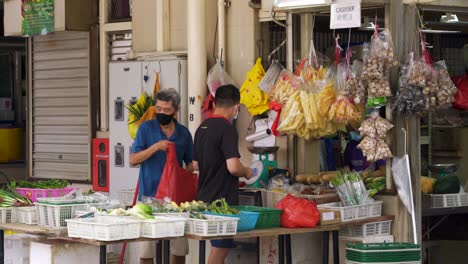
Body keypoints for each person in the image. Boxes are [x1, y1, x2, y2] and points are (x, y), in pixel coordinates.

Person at [130, 88, 193, 264]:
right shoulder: (145, 129)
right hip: (149, 198)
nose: (161, 113)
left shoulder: (183, 133)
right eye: (158, 109)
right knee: (147, 251)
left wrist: (193, 168)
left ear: (176, 111)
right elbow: (133, 160)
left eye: (166, 110)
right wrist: (156, 147)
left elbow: (189, 165)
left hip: (175, 200)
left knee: (179, 249)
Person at [193, 84, 254, 264]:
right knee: (221, 249)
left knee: (218, 247)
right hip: (222, 202)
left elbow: (196, 164)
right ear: (236, 107)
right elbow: (233, 167)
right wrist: (247, 171)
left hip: (204, 197)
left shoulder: (201, 128)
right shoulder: (227, 129)